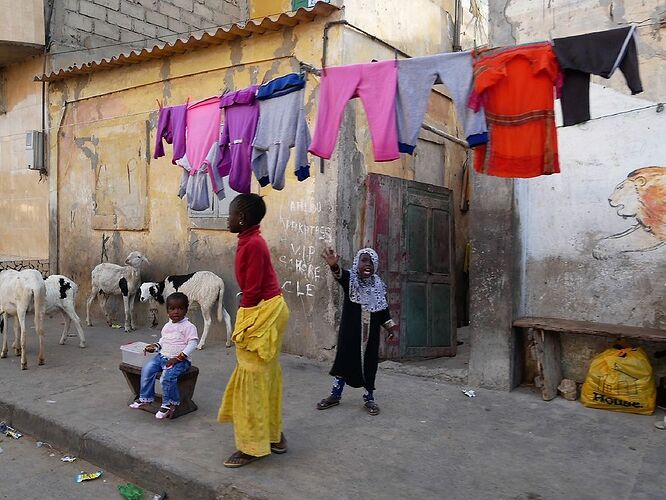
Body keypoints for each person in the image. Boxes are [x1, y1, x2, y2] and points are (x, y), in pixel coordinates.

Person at [218, 193, 290, 468]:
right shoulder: (249, 241)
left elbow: (254, 289)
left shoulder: (254, 244)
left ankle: (251, 446)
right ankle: (274, 436)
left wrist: (243, 322)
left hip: (264, 311)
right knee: (264, 377)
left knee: (252, 379)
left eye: (230, 215)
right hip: (266, 308)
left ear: (242, 219)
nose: (227, 219)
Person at [317, 247, 399, 416]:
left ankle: (369, 398)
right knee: (344, 362)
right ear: (357, 263)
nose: (367, 264)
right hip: (350, 335)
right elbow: (339, 275)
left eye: (370, 261)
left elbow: (383, 310)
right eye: (363, 260)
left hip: (371, 338)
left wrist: (390, 327)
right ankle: (335, 395)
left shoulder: (378, 285)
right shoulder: (351, 279)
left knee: (370, 365)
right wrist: (333, 266)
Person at [129, 292, 198, 420]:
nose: (176, 312)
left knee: (166, 377)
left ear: (186, 310)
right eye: (172, 309)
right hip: (162, 357)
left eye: (180, 308)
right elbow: (163, 341)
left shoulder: (189, 327)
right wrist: (155, 347)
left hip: (180, 361)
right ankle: (145, 398)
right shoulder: (167, 326)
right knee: (147, 368)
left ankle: (168, 404)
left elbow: (193, 343)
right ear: (167, 311)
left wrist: (179, 357)